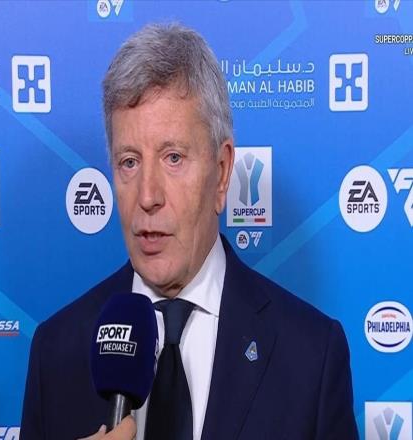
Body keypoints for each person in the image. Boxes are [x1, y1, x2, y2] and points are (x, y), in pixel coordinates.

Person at [20, 23, 358, 440]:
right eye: (129, 162)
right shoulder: (56, 352)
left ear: (222, 173)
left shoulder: (311, 355)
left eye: (173, 158)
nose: (148, 196)